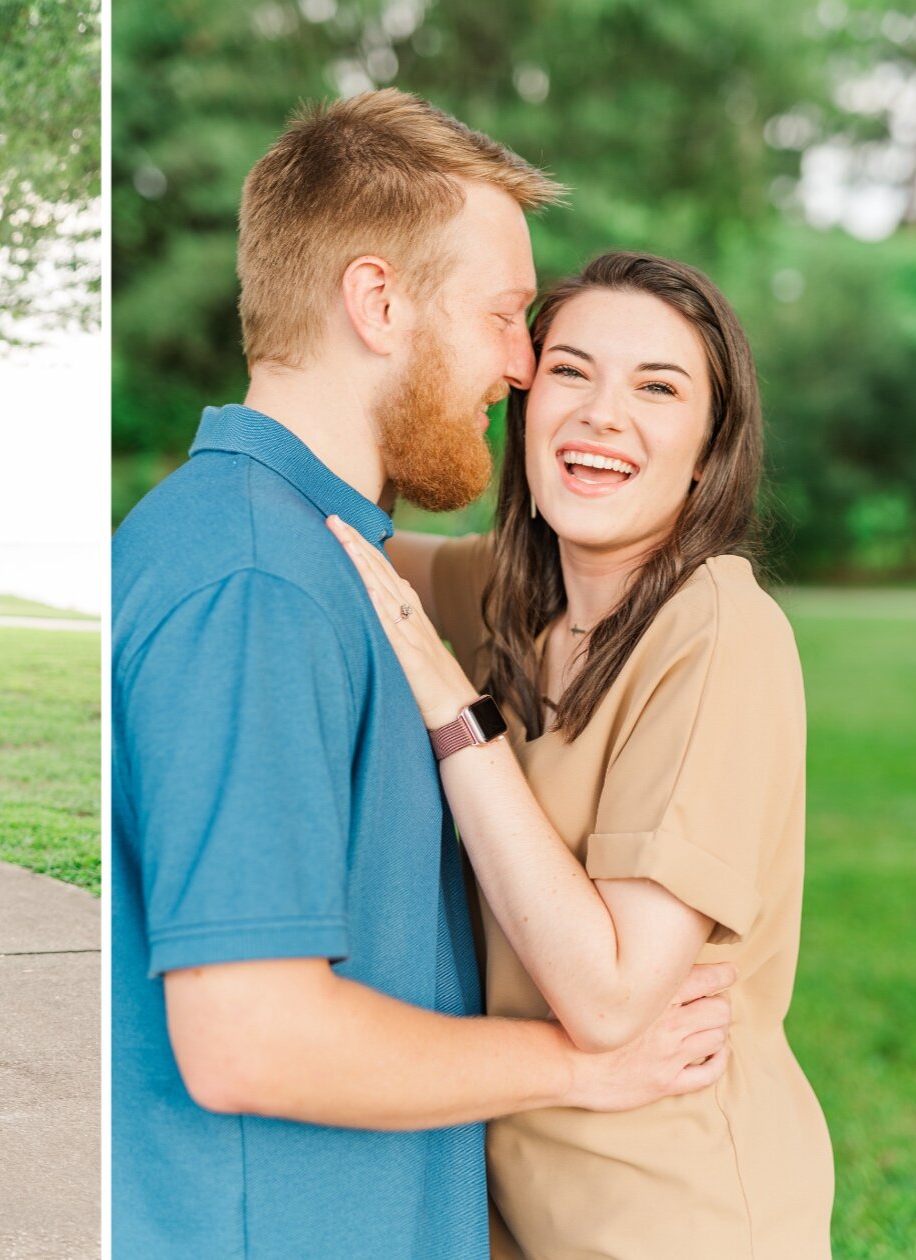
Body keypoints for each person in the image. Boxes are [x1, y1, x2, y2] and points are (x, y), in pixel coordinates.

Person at [111, 90, 736, 1258]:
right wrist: (584, 1062)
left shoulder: (319, 549)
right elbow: (249, 1036)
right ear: (378, 301)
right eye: (505, 315)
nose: (521, 362)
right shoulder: (259, 582)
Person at [329, 251, 834, 1257]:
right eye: (570, 371)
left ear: (705, 450)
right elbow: (321, 521)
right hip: (515, 1216)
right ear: (520, 404)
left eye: (657, 387)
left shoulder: (718, 633)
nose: (603, 413)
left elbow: (608, 996)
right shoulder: (503, 600)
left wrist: (448, 705)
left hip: (678, 1219)